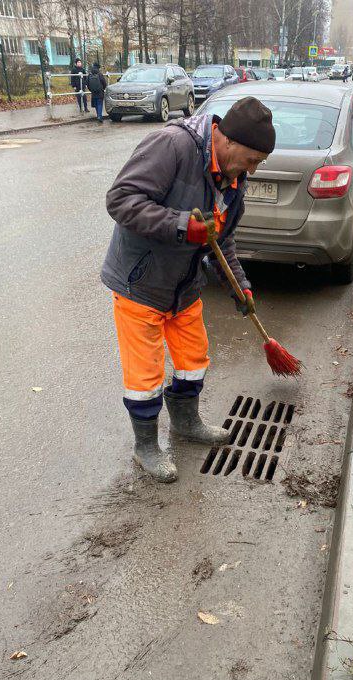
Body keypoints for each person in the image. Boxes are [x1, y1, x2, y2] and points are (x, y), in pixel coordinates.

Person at [100, 96, 276, 481]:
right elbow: (121, 200)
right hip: (141, 283)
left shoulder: (232, 181)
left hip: (184, 287)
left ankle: (185, 422)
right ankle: (146, 446)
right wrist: (182, 226)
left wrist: (240, 286)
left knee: (193, 360)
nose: (252, 169)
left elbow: (221, 241)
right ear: (227, 140)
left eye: (259, 163)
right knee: (145, 375)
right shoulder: (172, 146)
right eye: (252, 159)